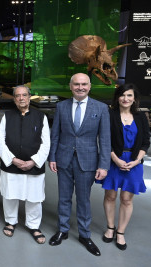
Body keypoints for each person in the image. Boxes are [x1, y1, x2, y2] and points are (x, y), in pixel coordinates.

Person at [48, 73, 111, 256]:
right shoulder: (61, 106)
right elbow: (56, 135)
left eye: (84, 84)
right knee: (64, 197)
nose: (80, 87)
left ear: (90, 86)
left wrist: (103, 165)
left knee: (84, 199)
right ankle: (63, 230)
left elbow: (105, 140)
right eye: (76, 84)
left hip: (88, 161)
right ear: (70, 86)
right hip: (64, 159)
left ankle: (84, 234)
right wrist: (52, 157)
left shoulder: (101, 108)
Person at [96, 84, 150, 251]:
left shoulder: (141, 117)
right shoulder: (110, 115)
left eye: (129, 95)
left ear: (134, 98)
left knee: (127, 199)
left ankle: (121, 232)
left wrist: (137, 161)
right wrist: (116, 159)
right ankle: (110, 228)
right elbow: (104, 139)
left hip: (133, 162)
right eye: (122, 95)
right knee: (110, 196)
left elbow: (145, 142)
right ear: (117, 97)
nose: (125, 99)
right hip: (113, 160)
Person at [0, 85, 50, 243]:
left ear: (29, 97)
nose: (21, 98)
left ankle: (34, 225)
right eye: (18, 96)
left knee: (34, 197)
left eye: (24, 95)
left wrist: (33, 161)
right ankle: (10, 221)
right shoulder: (7, 116)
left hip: (33, 165)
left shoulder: (41, 117)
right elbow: (0, 141)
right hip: (12, 163)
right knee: (10, 195)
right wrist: (12, 159)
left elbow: (46, 143)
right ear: (14, 99)